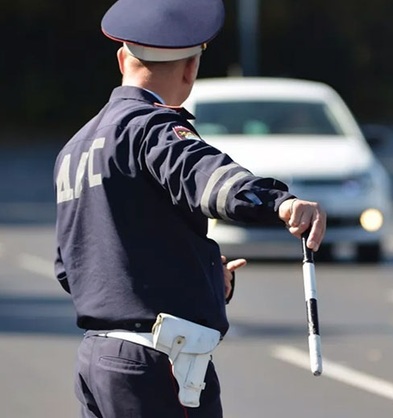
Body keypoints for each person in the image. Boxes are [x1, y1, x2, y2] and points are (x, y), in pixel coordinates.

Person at [52, 0, 326, 416]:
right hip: (156, 364)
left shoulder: (75, 147)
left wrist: (198, 277)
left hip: (97, 360)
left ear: (122, 58)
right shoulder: (152, 127)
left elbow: (71, 267)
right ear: (190, 69)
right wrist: (281, 204)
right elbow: (210, 180)